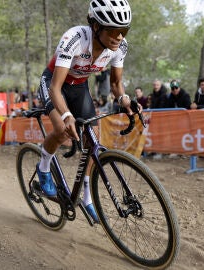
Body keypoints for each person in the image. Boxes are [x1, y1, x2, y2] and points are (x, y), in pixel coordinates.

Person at [35, 0, 135, 223]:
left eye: (124, 30)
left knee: (94, 143)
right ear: (96, 26)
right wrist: (67, 115)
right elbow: (55, 88)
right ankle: (43, 167)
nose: (119, 36)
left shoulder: (120, 47)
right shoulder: (75, 38)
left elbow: (116, 84)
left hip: (80, 87)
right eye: (114, 30)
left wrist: (125, 100)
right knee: (62, 130)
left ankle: (88, 197)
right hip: (54, 83)